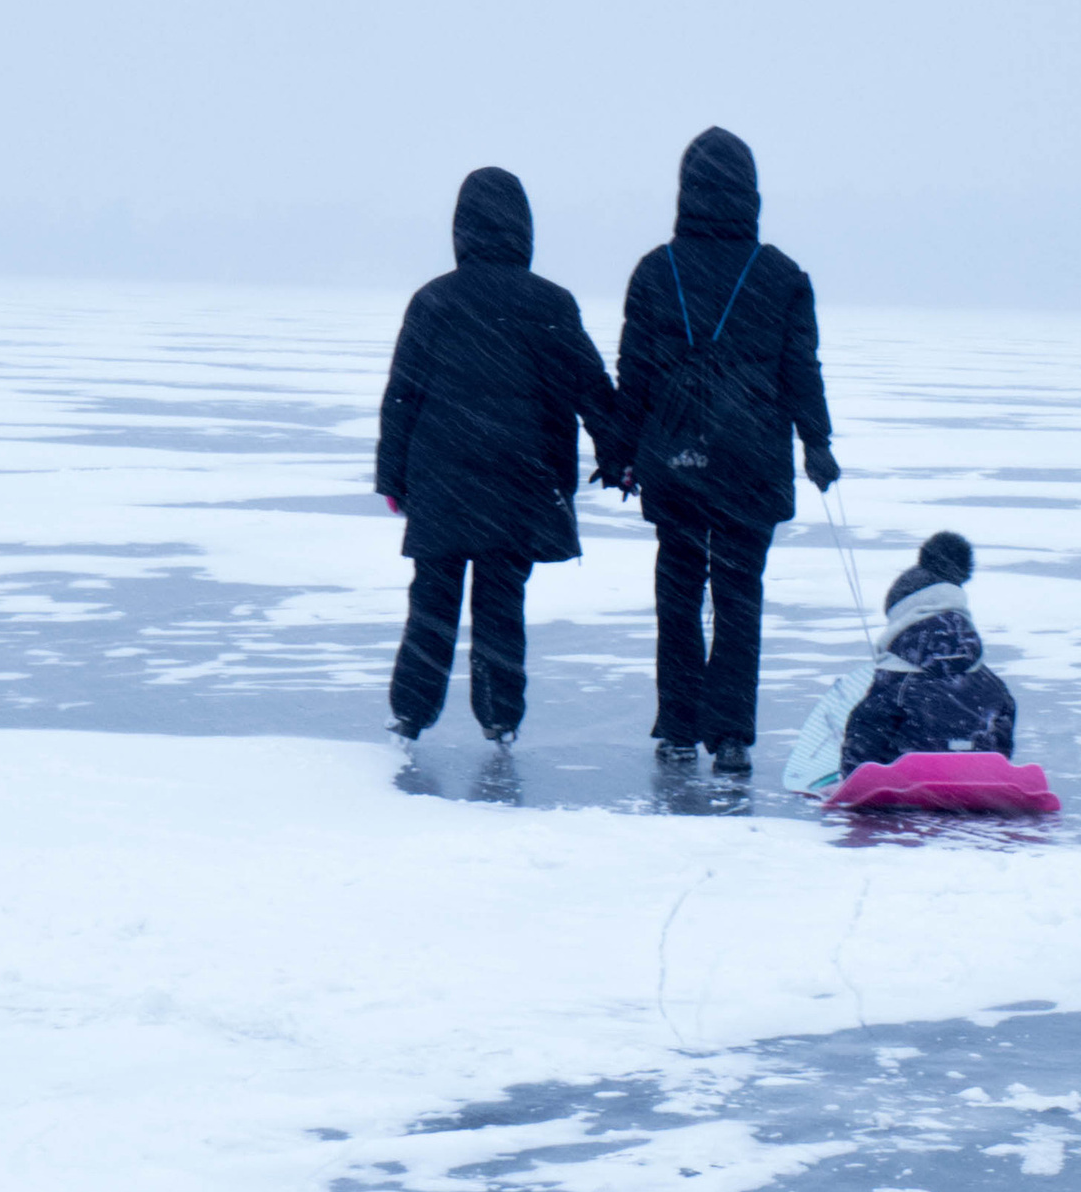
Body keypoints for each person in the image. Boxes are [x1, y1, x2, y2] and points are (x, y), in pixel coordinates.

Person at [609, 127, 837, 777]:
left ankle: (679, 728)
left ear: (686, 190)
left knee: (678, 593)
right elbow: (801, 369)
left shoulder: (656, 270)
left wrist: (622, 450)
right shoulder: (781, 275)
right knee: (740, 598)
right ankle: (732, 735)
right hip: (751, 462)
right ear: (751, 192)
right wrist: (816, 442)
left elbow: (634, 373)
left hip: (676, 459)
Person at [376, 167, 617, 747]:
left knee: (432, 603)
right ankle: (500, 717)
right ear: (522, 227)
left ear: (461, 228)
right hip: (519, 480)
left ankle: (410, 714)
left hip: (442, 481)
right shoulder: (549, 302)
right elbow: (591, 387)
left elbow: (402, 395)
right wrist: (619, 453)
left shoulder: (434, 299)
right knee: (502, 604)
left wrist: (393, 478)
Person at [838, 531, 1017, 774]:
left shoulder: (897, 678)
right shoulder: (990, 682)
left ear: (902, 618)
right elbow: (1003, 730)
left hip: (911, 777)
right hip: (975, 774)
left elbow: (865, 733)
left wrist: (852, 776)